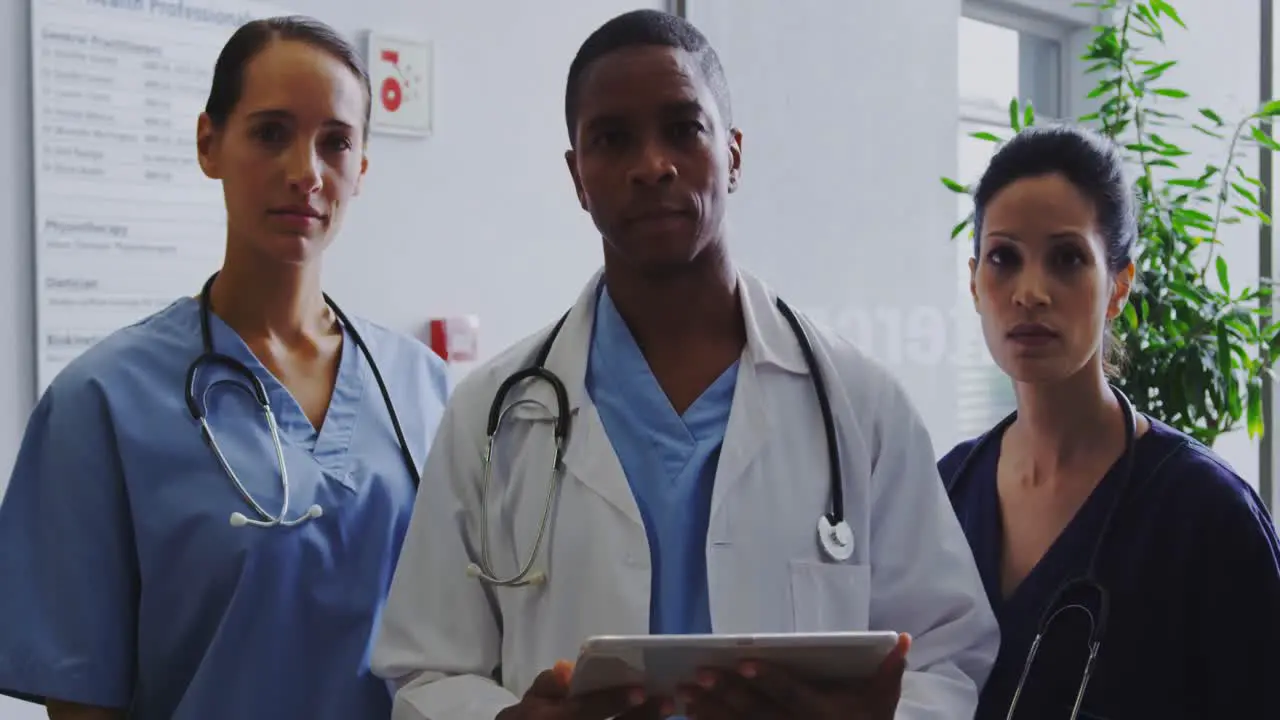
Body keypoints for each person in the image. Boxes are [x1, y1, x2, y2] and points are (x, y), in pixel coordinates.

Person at [371, 9, 998, 720]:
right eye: (612, 139)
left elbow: (947, 653)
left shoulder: (859, 404)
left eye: (682, 129)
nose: (651, 165)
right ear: (577, 176)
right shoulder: (492, 415)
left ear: (732, 153)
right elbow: (426, 671)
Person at [0, 15, 450, 720]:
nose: (306, 172)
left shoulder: (424, 389)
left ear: (361, 169)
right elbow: (82, 699)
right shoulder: (103, 404)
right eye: (271, 133)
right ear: (209, 143)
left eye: (335, 143)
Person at [937, 123, 1280, 719]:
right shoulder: (944, 492)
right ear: (973, 283)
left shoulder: (1207, 514)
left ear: (1119, 286)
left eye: (1067, 258)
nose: (1030, 292)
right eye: (1003, 259)